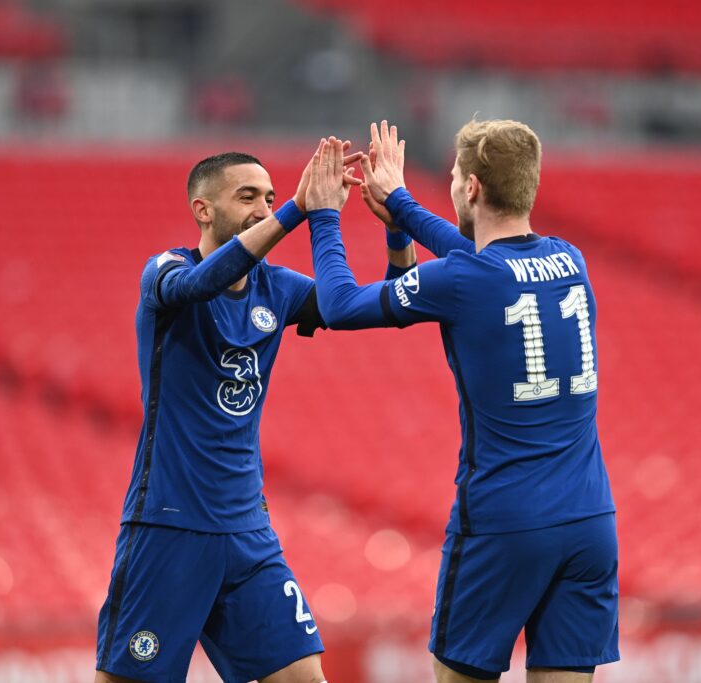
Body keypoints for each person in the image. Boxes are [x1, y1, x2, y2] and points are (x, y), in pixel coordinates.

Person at [305, 122, 619, 682]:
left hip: (505, 522)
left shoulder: (467, 277)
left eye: (453, 176)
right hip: (591, 522)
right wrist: (400, 210)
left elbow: (339, 306)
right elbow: (478, 262)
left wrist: (326, 216)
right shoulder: (571, 259)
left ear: (471, 188)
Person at [94, 143, 415, 683]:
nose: (264, 209)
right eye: (248, 197)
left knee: (303, 676)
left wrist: (397, 225)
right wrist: (298, 208)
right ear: (203, 209)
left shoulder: (277, 288)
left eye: (269, 198)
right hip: (169, 527)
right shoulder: (165, 272)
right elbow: (203, 284)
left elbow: (384, 305)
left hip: (248, 534)